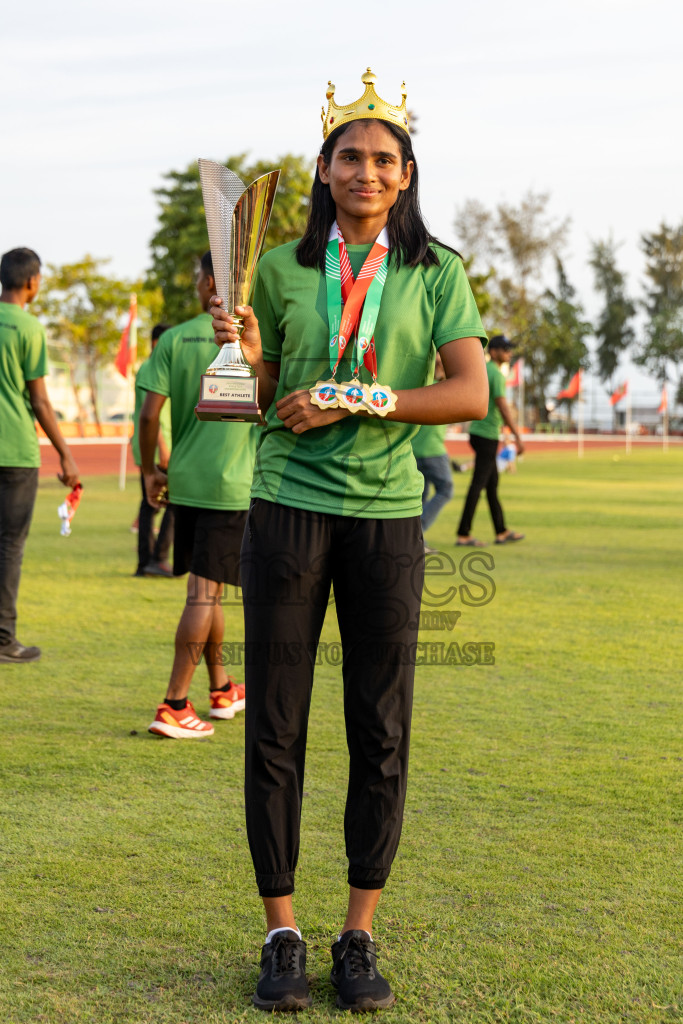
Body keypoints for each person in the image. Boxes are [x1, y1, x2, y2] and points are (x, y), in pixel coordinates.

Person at [211, 69, 488, 1012]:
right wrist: (244, 356)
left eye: (382, 159)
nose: (364, 172)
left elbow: (467, 394)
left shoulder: (436, 269)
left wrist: (354, 395)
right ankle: (281, 932)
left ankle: (357, 935)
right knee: (276, 726)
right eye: (347, 158)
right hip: (286, 509)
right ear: (322, 171)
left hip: (383, 518)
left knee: (379, 729)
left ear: (405, 175)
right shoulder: (282, 270)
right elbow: (252, 404)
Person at [139, 252, 256, 737]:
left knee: (211, 589)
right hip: (232, 484)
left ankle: (222, 688)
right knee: (204, 592)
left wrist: (150, 471)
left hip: (186, 480)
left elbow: (149, 416)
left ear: (211, 281)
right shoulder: (253, 343)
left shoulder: (173, 338)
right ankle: (174, 704)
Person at [0, 247, 80, 663]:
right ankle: (3, 640)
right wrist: (65, 455)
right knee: (9, 546)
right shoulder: (28, 327)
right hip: (14, 452)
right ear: (32, 282)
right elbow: (40, 401)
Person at [456, 334, 525, 547]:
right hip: (486, 434)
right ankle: (463, 533)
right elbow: (503, 407)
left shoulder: (484, 369)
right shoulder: (495, 374)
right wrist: (517, 436)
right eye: (505, 349)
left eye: (509, 349)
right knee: (478, 485)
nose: (509, 353)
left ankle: (501, 531)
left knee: (492, 485)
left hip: (479, 431)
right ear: (493, 351)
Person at [130, 322, 175, 577]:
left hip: (148, 444)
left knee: (150, 503)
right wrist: (164, 448)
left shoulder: (145, 367)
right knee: (171, 502)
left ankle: (145, 562)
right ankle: (157, 559)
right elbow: (151, 413)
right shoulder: (157, 366)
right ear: (159, 342)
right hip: (159, 444)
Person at [412, 354, 453, 547]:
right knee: (445, 489)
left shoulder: (420, 385)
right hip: (433, 450)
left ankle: (415, 539)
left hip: (414, 449)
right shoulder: (444, 389)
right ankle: (418, 531)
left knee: (420, 496)